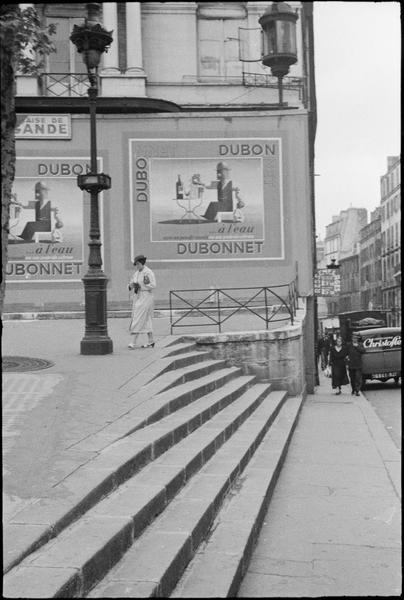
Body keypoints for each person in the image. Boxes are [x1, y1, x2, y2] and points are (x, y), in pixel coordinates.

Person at [128, 255, 156, 349]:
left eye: (138, 264)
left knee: (138, 316)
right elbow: (131, 282)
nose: (137, 266)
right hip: (138, 296)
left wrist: (143, 285)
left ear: (141, 263)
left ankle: (133, 341)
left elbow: (153, 285)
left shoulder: (148, 272)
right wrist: (131, 285)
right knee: (146, 318)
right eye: (136, 264)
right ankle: (151, 341)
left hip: (146, 296)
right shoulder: (136, 273)